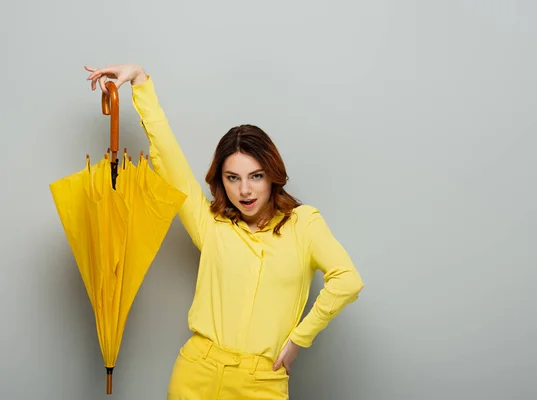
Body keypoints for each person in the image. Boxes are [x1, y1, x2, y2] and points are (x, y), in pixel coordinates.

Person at [84, 64, 365, 399]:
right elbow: (170, 159)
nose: (245, 190)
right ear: (221, 180)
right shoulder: (211, 225)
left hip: (261, 381)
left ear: (273, 174)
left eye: (256, 176)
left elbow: (347, 280)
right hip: (196, 372)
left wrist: (298, 339)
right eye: (233, 178)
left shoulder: (304, 224)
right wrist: (140, 82)